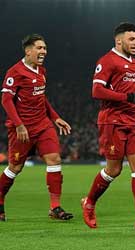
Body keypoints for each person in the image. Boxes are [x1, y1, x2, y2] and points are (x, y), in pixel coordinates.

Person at [80, 22, 135, 231]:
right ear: (119, 40)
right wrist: (126, 96)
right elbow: (97, 91)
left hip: (134, 121)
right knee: (113, 170)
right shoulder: (107, 61)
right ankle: (89, 202)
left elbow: (134, 97)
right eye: (131, 39)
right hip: (113, 120)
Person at [0, 34, 73, 221]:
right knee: (15, 167)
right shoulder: (15, 72)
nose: (44, 52)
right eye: (39, 48)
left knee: (54, 159)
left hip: (42, 125)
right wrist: (19, 125)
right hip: (22, 128)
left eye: (45, 48)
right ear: (28, 51)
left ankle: (55, 208)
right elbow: (6, 100)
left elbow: (42, 98)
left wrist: (55, 118)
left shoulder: (42, 71)